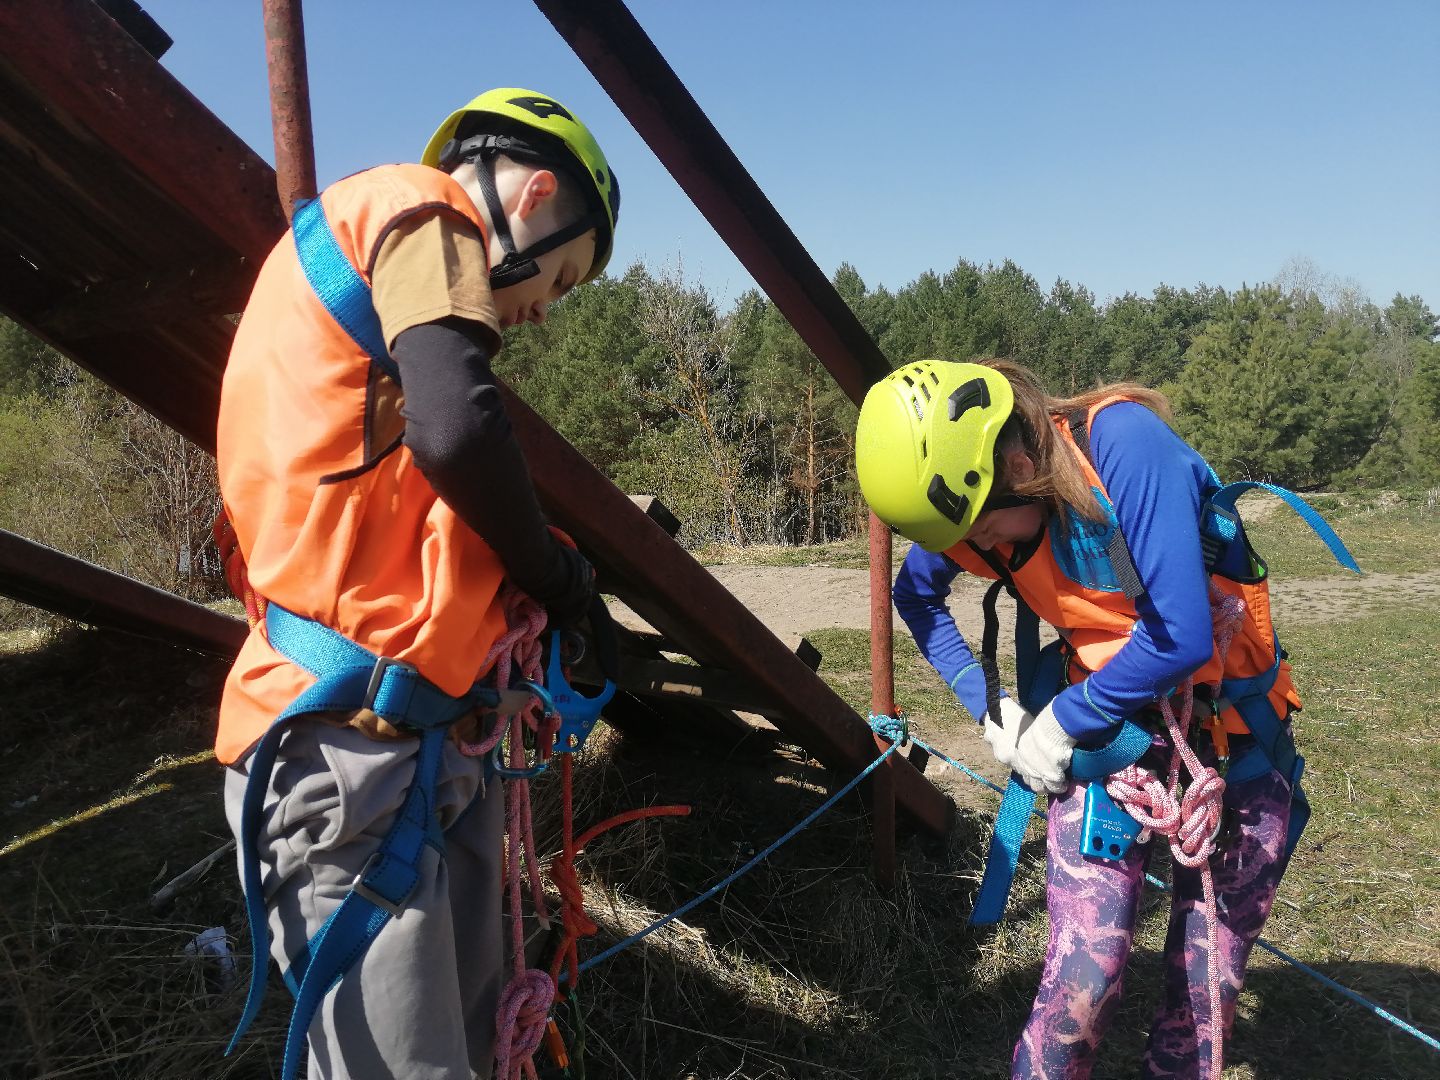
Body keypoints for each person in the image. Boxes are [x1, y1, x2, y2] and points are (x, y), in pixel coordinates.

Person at [214, 89, 620, 1080]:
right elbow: (458, 430)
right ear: (533, 193)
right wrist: (565, 583)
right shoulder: (421, 210)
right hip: (346, 757)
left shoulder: (354, 313)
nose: (537, 311)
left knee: (480, 1046)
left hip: (404, 747)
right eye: (559, 277)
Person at [855, 358, 1317, 1080]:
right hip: (1113, 738)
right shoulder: (972, 507)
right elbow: (916, 598)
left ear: (1015, 463)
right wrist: (989, 705)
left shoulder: (1125, 445)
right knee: (1083, 976)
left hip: (1234, 736)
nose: (976, 551)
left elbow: (1181, 635)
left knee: (1204, 990)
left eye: (978, 532)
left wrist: (1063, 720)